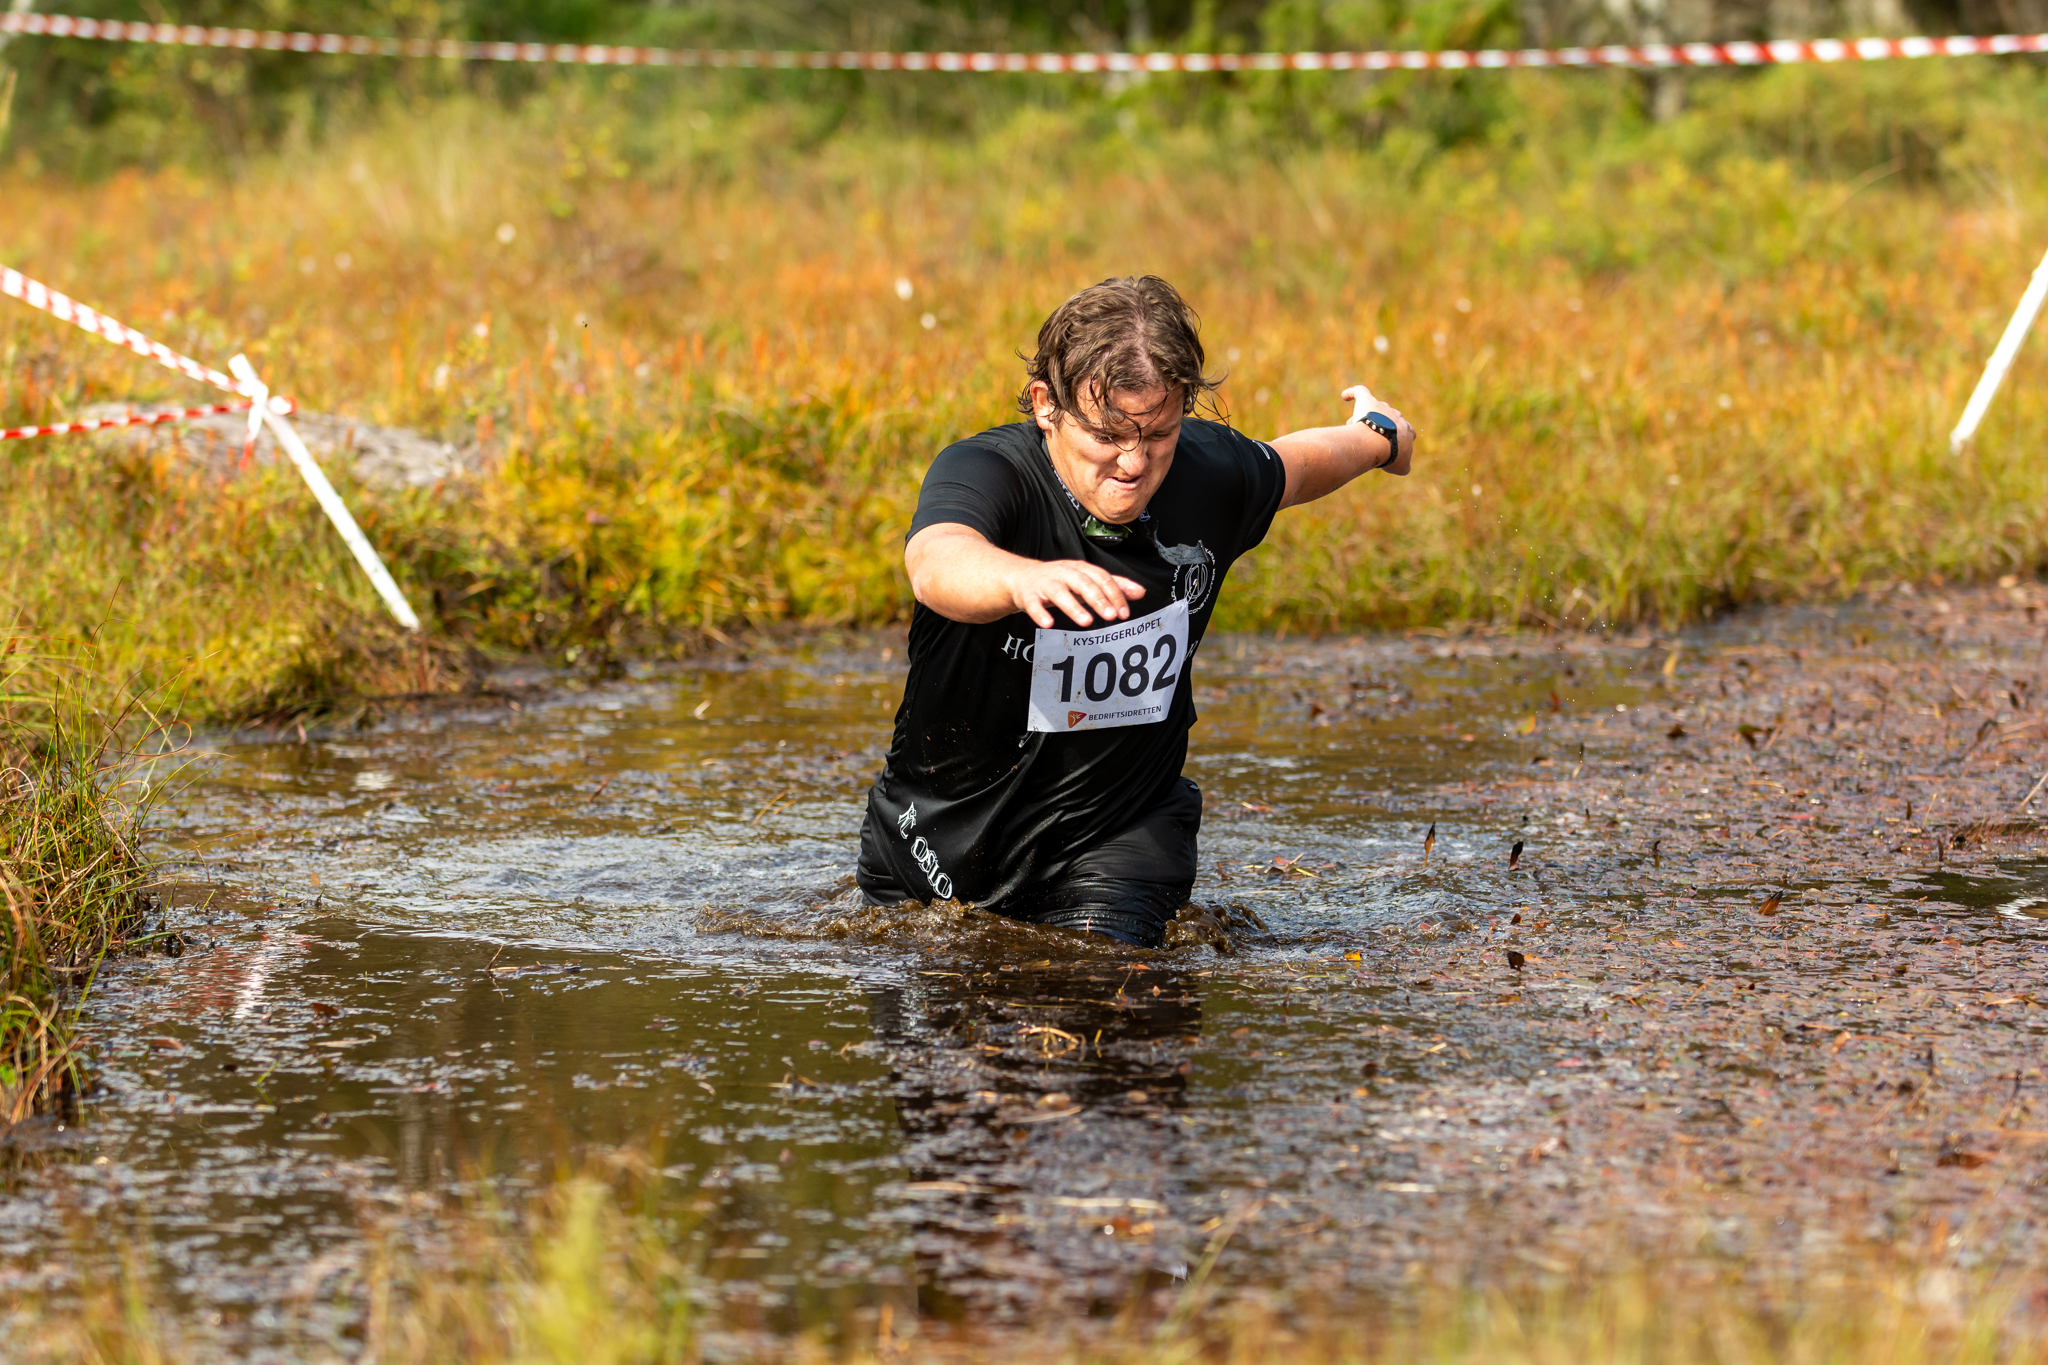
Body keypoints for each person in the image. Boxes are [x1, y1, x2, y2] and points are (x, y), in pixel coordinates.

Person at [856, 275, 1415, 948]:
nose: (1132, 463)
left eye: (1158, 434)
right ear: (1047, 405)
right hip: (935, 832)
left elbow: (1298, 464)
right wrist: (1019, 579)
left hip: (1118, 835)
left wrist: (1380, 435)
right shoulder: (988, 471)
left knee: (1106, 989)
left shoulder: (1207, 472)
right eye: (1108, 433)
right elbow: (936, 559)